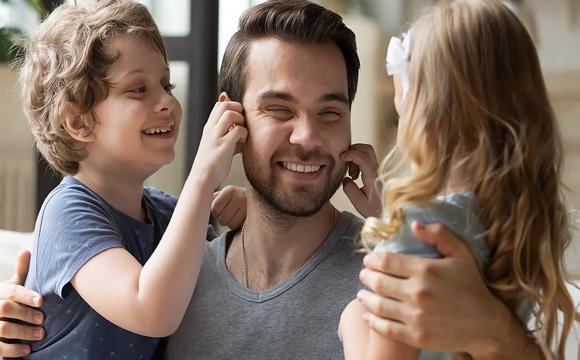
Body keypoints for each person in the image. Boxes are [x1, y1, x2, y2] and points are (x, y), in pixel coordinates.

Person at [0, 1, 557, 359]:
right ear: (232, 120)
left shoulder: (408, 274)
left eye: (331, 112)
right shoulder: (181, 258)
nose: (307, 137)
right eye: (280, 110)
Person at [6, 0, 247, 359]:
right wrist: (202, 178)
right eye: (138, 89)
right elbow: (150, 309)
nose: (167, 100)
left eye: (167, 83)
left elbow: (227, 296)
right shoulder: (67, 213)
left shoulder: (168, 214)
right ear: (79, 121)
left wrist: (248, 228)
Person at [339, 1, 580, 359]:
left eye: (401, 112)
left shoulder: (418, 230)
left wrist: (353, 320)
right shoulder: (520, 220)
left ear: (427, 121)